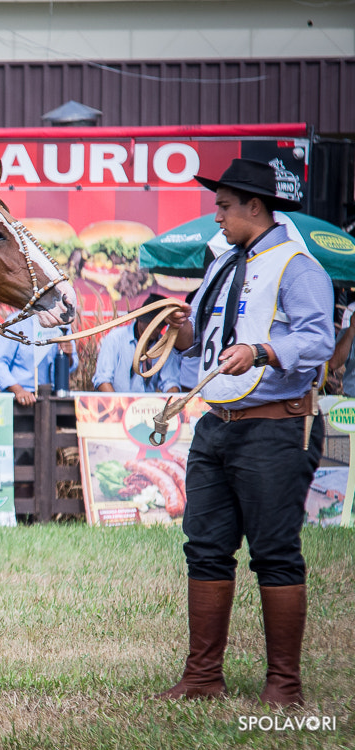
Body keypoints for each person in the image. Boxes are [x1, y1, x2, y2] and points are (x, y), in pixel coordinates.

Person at [159, 158, 334, 708]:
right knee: (205, 549)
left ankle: (284, 684)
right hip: (218, 424)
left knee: (274, 552)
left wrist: (262, 350)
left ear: (255, 207)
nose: (216, 217)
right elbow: (209, 342)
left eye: (224, 206)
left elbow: (319, 339)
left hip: (277, 425)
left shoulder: (297, 266)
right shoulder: (222, 265)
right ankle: (203, 676)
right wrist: (186, 334)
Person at [93, 293, 181, 394]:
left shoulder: (164, 347)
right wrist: (119, 406)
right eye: (152, 324)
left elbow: (170, 381)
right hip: (118, 404)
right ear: (141, 320)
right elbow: (103, 380)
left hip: (149, 407)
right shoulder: (115, 338)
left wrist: (173, 398)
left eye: (160, 325)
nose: (157, 329)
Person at [0, 316, 75, 406]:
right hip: (21, 402)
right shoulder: (16, 322)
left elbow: (73, 364)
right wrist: (18, 390)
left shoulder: (62, 321)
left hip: (55, 398)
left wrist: (68, 355)